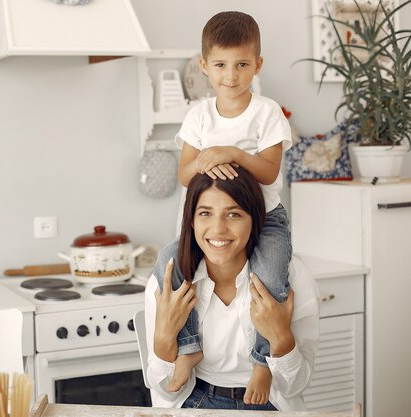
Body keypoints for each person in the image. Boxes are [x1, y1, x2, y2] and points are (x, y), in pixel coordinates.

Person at [156, 11, 293, 404]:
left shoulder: (267, 113)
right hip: (210, 225)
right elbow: (184, 175)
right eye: (220, 65)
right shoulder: (199, 116)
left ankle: (263, 361)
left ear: (257, 65)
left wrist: (233, 153)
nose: (230, 75)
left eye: (242, 65)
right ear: (204, 66)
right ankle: (189, 347)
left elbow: (268, 173)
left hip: (265, 220)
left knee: (270, 277)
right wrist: (201, 160)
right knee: (168, 266)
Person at [145, 169, 319, 411]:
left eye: (234, 214)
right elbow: (164, 388)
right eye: (205, 213)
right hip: (196, 401)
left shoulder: (291, 275)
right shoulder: (167, 281)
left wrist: (280, 338)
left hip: (271, 402)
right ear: (191, 220)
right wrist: (164, 337)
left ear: (255, 219)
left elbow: (295, 386)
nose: (218, 229)